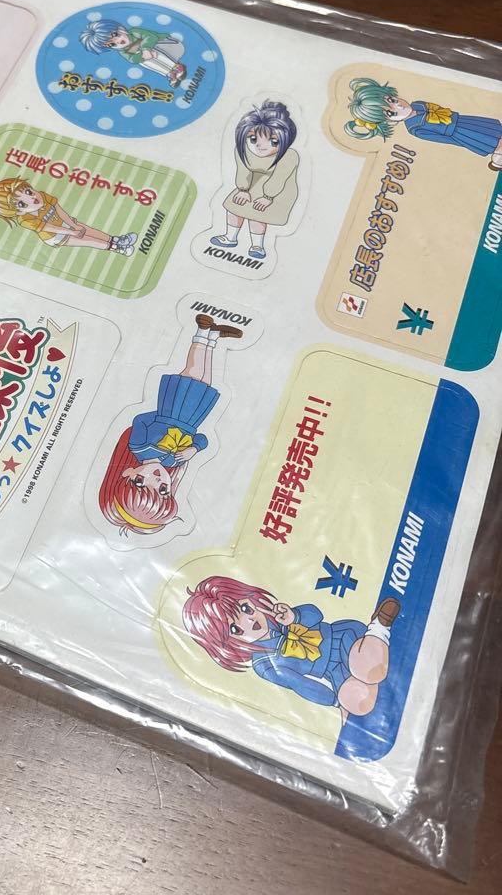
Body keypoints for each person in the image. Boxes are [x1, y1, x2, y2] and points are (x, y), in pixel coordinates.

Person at [97, 314, 241, 542]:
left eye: (141, 483)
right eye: (163, 490)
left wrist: (161, 418)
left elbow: (139, 420)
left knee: (193, 371)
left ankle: (202, 331)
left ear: (128, 473)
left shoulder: (139, 447)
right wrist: (193, 449)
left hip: (172, 406)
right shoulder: (174, 462)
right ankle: (214, 336)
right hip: (193, 416)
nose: (157, 480)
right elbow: (202, 439)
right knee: (206, 378)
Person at [183, 575, 399, 723]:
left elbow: (316, 614)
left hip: (342, 638)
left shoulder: (278, 616)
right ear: (227, 643)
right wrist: (335, 701)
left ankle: (379, 628)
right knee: (358, 703)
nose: (250, 621)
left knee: (366, 666)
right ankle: (373, 678)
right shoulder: (264, 665)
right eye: (235, 628)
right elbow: (300, 684)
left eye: (246, 608)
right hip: (331, 672)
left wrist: (294, 616)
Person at [345, 76, 502, 170]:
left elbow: (442, 110)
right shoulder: (415, 128)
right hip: (460, 133)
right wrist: (464, 140)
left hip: (462, 120)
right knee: (491, 141)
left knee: (492, 129)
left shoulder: (418, 104)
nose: (399, 106)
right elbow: (444, 139)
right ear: (390, 121)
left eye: (392, 100)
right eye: (391, 113)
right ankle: (497, 158)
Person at [209, 100, 300, 261]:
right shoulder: (242, 149)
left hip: (277, 189)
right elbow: (243, 170)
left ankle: (257, 246)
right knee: (235, 205)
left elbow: (279, 178)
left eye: (273, 141)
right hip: (252, 183)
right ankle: (230, 237)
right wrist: (243, 189)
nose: (260, 146)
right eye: (253, 139)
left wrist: (268, 197)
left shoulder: (289, 156)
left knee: (257, 213)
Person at [0, 177, 136, 255]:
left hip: (65, 223)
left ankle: (116, 240)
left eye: (28, 191)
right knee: (88, 240)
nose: (32, 198)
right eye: (22, 204)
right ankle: (117, 248)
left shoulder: (42, 195)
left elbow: (60, 211)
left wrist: (73, 225)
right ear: (17, 212)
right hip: (55, 236)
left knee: (89, 230)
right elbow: (49, 228)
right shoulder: (25, 219)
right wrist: (71, 231)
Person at [79, 18, 187, 86]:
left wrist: (146, 49)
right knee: (142, 61)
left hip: (169, 45)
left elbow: (151, 37)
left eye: (115, 35)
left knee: (152, 51)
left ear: (121, 29)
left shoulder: (134, 32)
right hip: (153, 55)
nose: (118, 41)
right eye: (111, 44)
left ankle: (177, 67)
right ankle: (169, 73)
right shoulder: (123, 51)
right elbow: (132, 59)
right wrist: (144, 57)